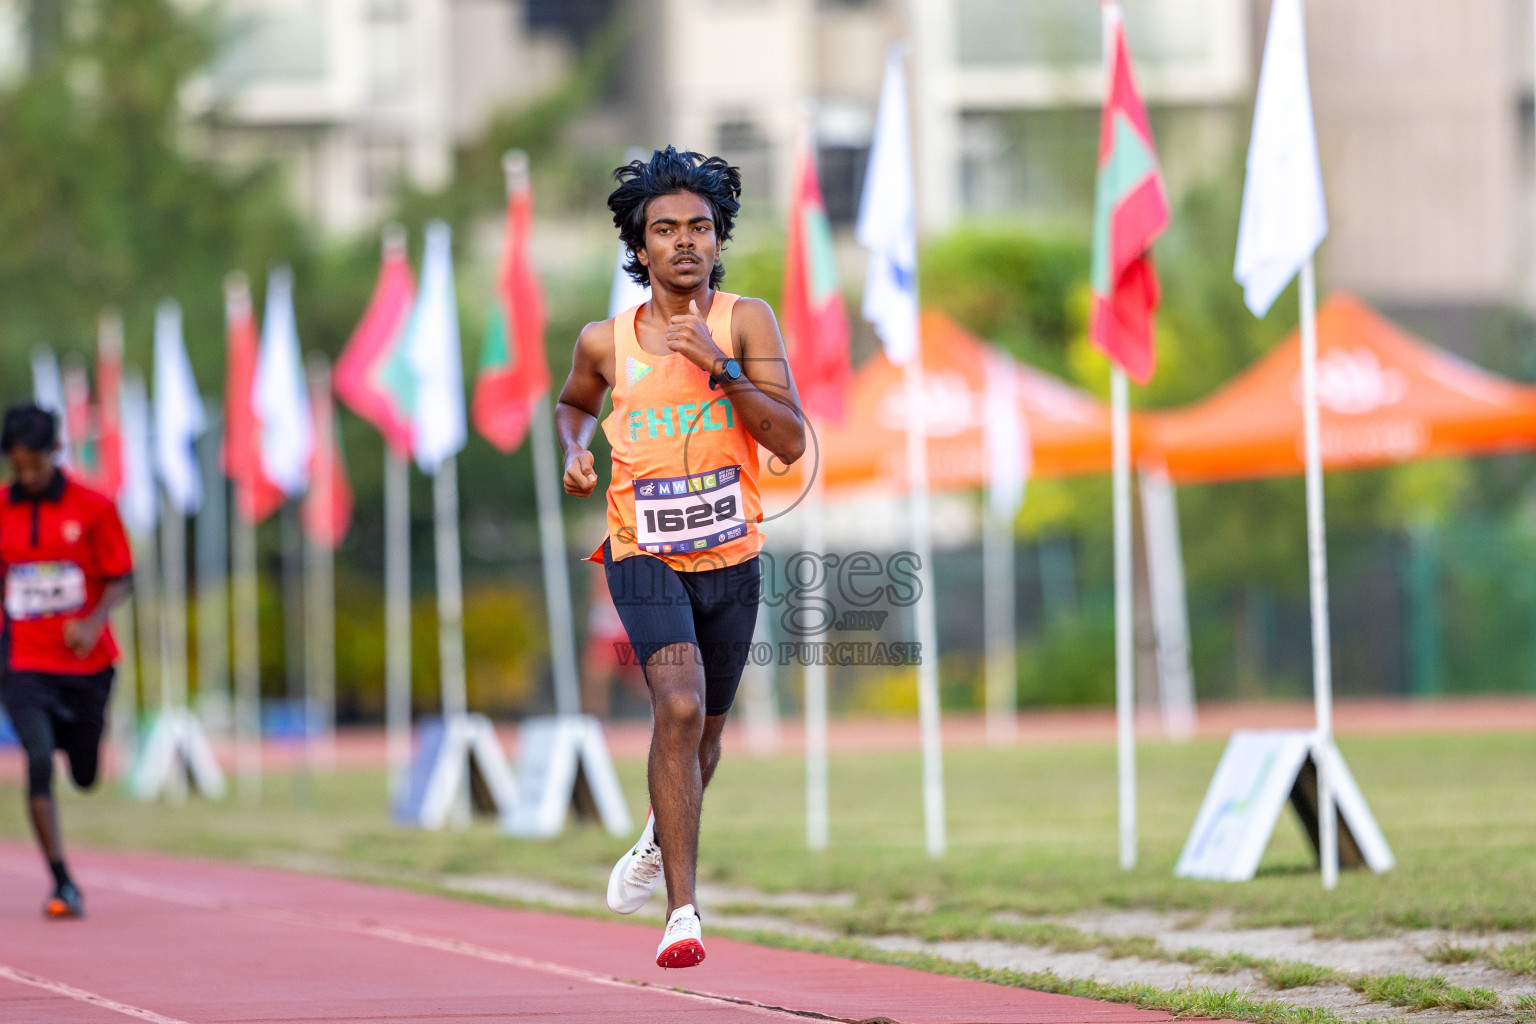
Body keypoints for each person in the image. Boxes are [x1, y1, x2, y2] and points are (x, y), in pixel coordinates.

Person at [557, 147, 805, 968]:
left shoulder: (746, 319)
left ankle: (657, 838)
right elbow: (571, 404)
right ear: (640, 246)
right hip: (639, 550)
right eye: (666, 229)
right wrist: (576, 448)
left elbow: (790, 438)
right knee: (678, 707)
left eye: (700, 226)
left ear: (718, 237)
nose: (685, 242)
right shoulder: (605, 341)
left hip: (732, 555)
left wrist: (721, 368)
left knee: (706, 737)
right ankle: (683, 915)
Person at [0, 403, 132, 918]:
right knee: (36, 759)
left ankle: (80, 746)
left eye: (35, 464)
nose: (27, 476)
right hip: (23, 660)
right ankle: (62, 881)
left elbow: (121, 575)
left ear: (55, 453)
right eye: (18, 466)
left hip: (87, 664)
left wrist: (94, 620)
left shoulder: (93, 507)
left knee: (82, 774)